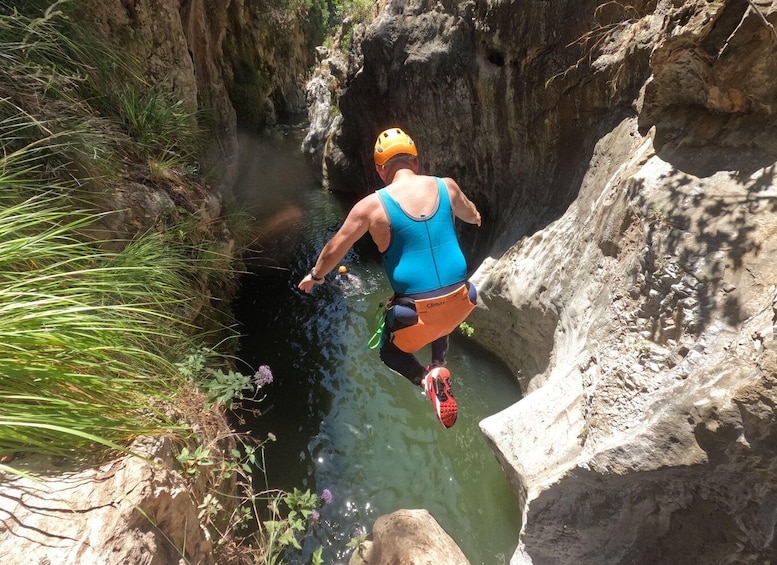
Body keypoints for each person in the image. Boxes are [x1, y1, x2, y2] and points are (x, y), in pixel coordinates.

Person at [298, 127, 481, 428]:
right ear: (416, 163)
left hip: (416, 313)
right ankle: (439, 366)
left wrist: (315, 276)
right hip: (464, 300)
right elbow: (470, 212)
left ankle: (425, 378)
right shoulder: (447, 187)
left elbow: (334, 249)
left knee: (389, 350)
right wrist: (476, 218)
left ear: (381, 169)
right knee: (440, 307)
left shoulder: (371, 207)